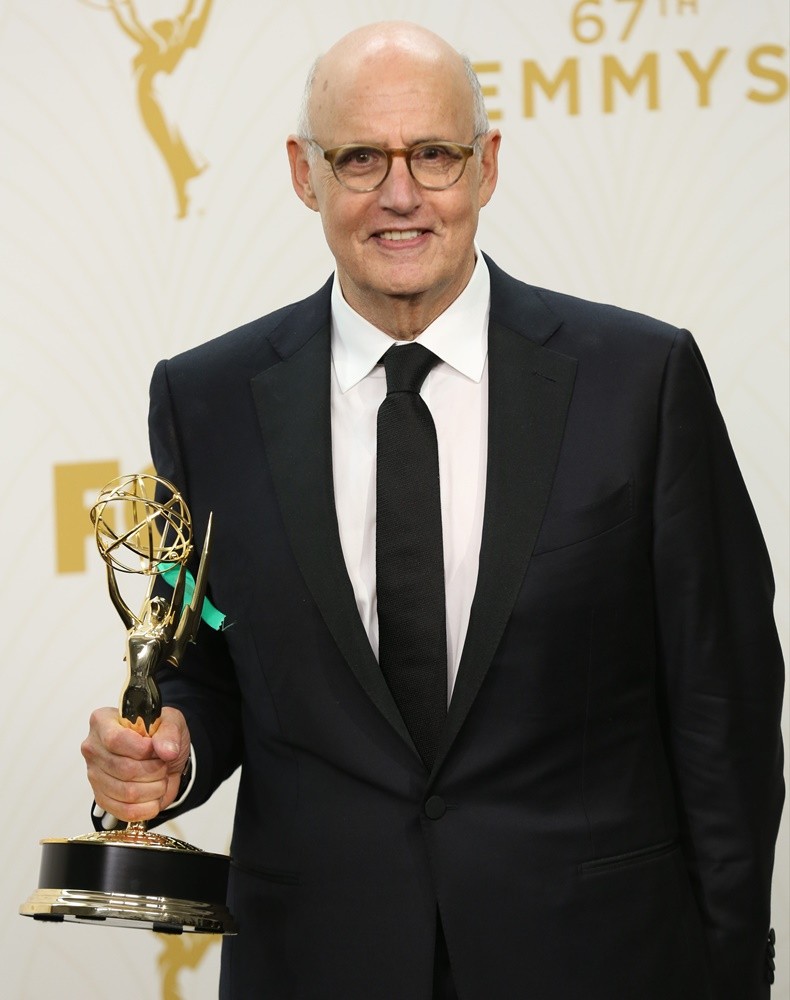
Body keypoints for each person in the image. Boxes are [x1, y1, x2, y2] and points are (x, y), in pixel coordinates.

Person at [81, 21, 784, 1000]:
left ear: (486, 166)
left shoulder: (639, 381)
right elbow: (204, 662)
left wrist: (731, 964)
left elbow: (724, 706)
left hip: (599, 961)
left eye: (435, 155)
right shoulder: (206, 401)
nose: (400, 194)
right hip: (317, 962)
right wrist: (169, 751)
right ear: (303, 172)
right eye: (360, 157)